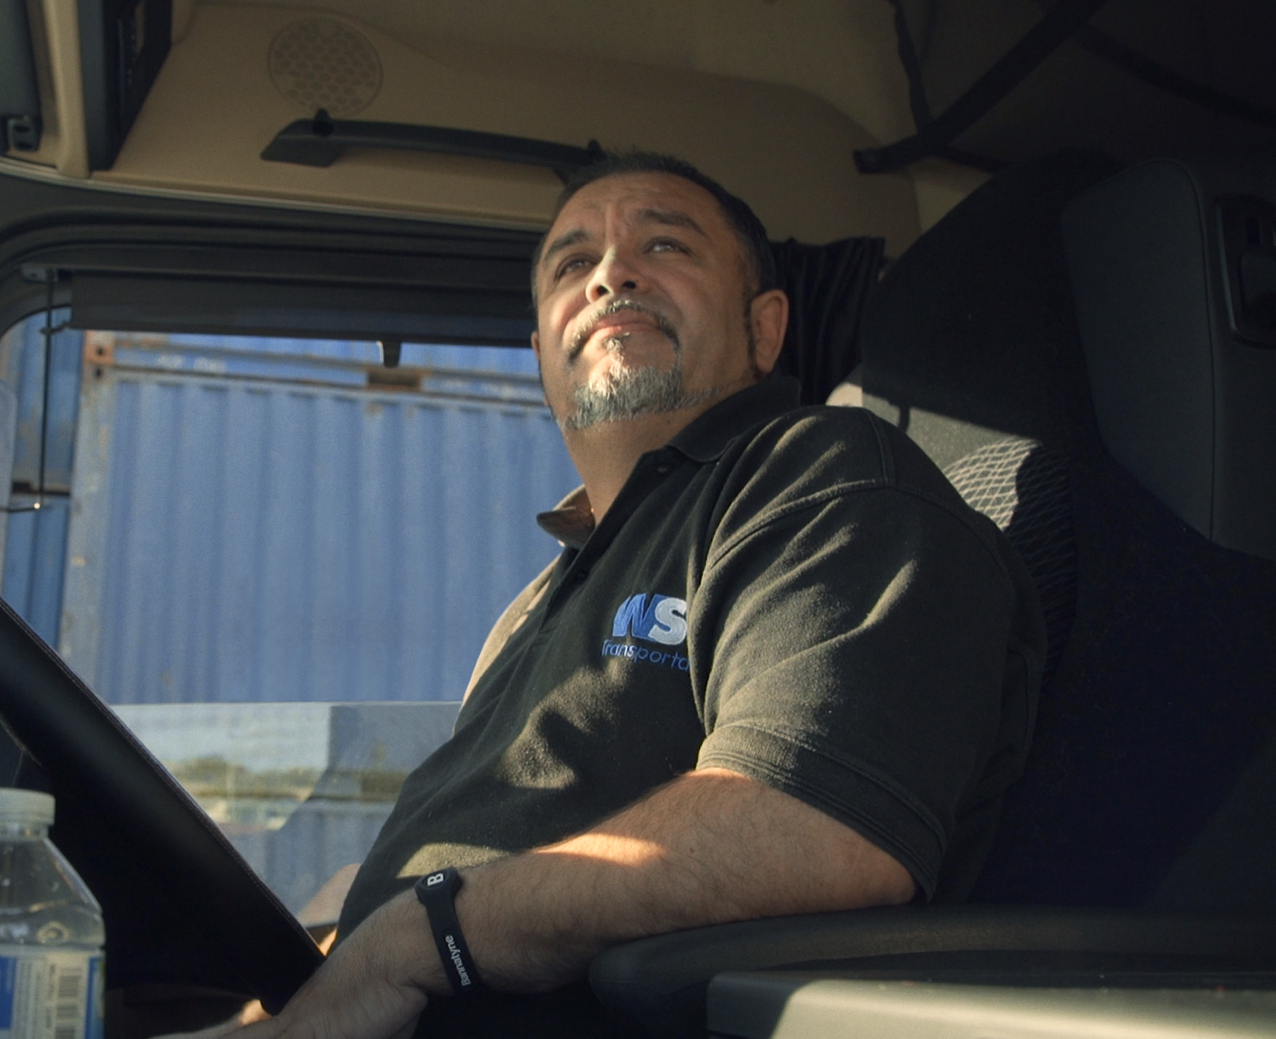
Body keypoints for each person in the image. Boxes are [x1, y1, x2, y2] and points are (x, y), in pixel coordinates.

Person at [227, 152, 1045, 1039]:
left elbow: (816, 827)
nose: (611, 274)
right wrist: (314, 983)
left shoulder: (820, 476)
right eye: (574, 264)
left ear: (765, 329)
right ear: (542, 354)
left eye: (665, 245)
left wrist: (421, 938)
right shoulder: (535, 602)